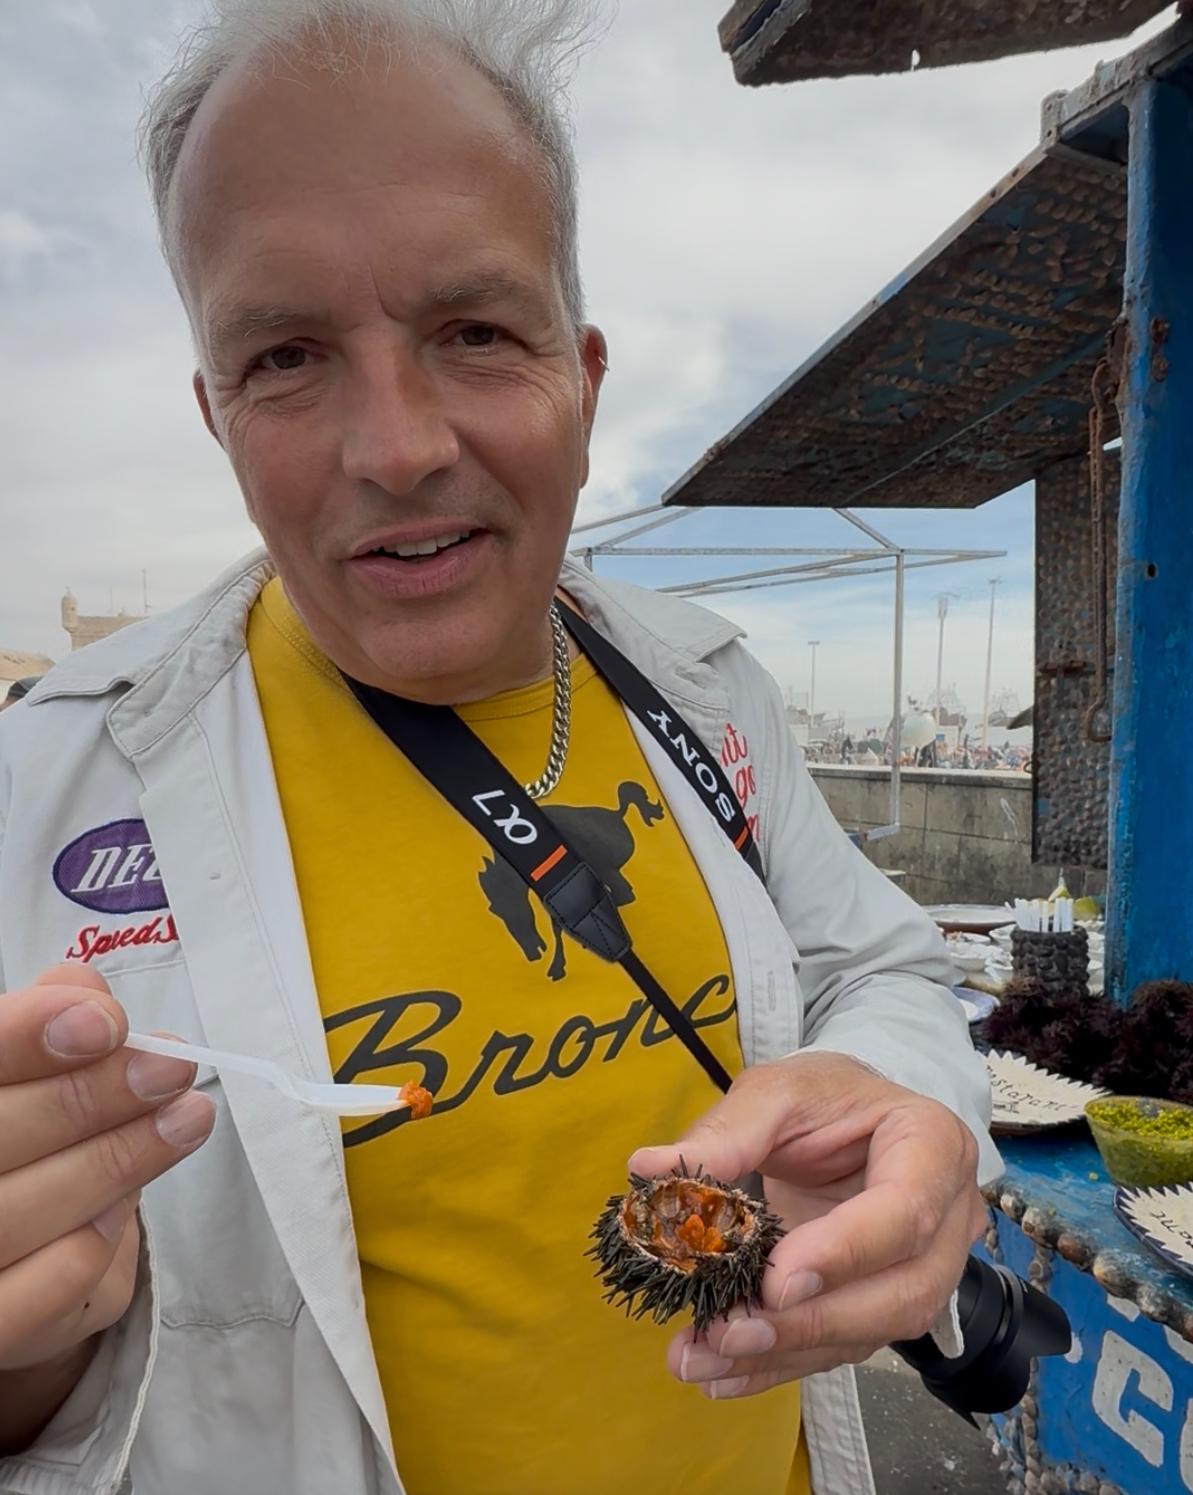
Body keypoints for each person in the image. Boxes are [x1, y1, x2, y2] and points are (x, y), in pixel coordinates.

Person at [0, 3, 996, 1492]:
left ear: (581, 377)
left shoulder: (709, 689)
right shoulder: (42, 795)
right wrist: (22, 1362)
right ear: (216, 415)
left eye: (474, 332)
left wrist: (902, 1096)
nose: (398, 447)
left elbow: (880, 966)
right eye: (287, 355)